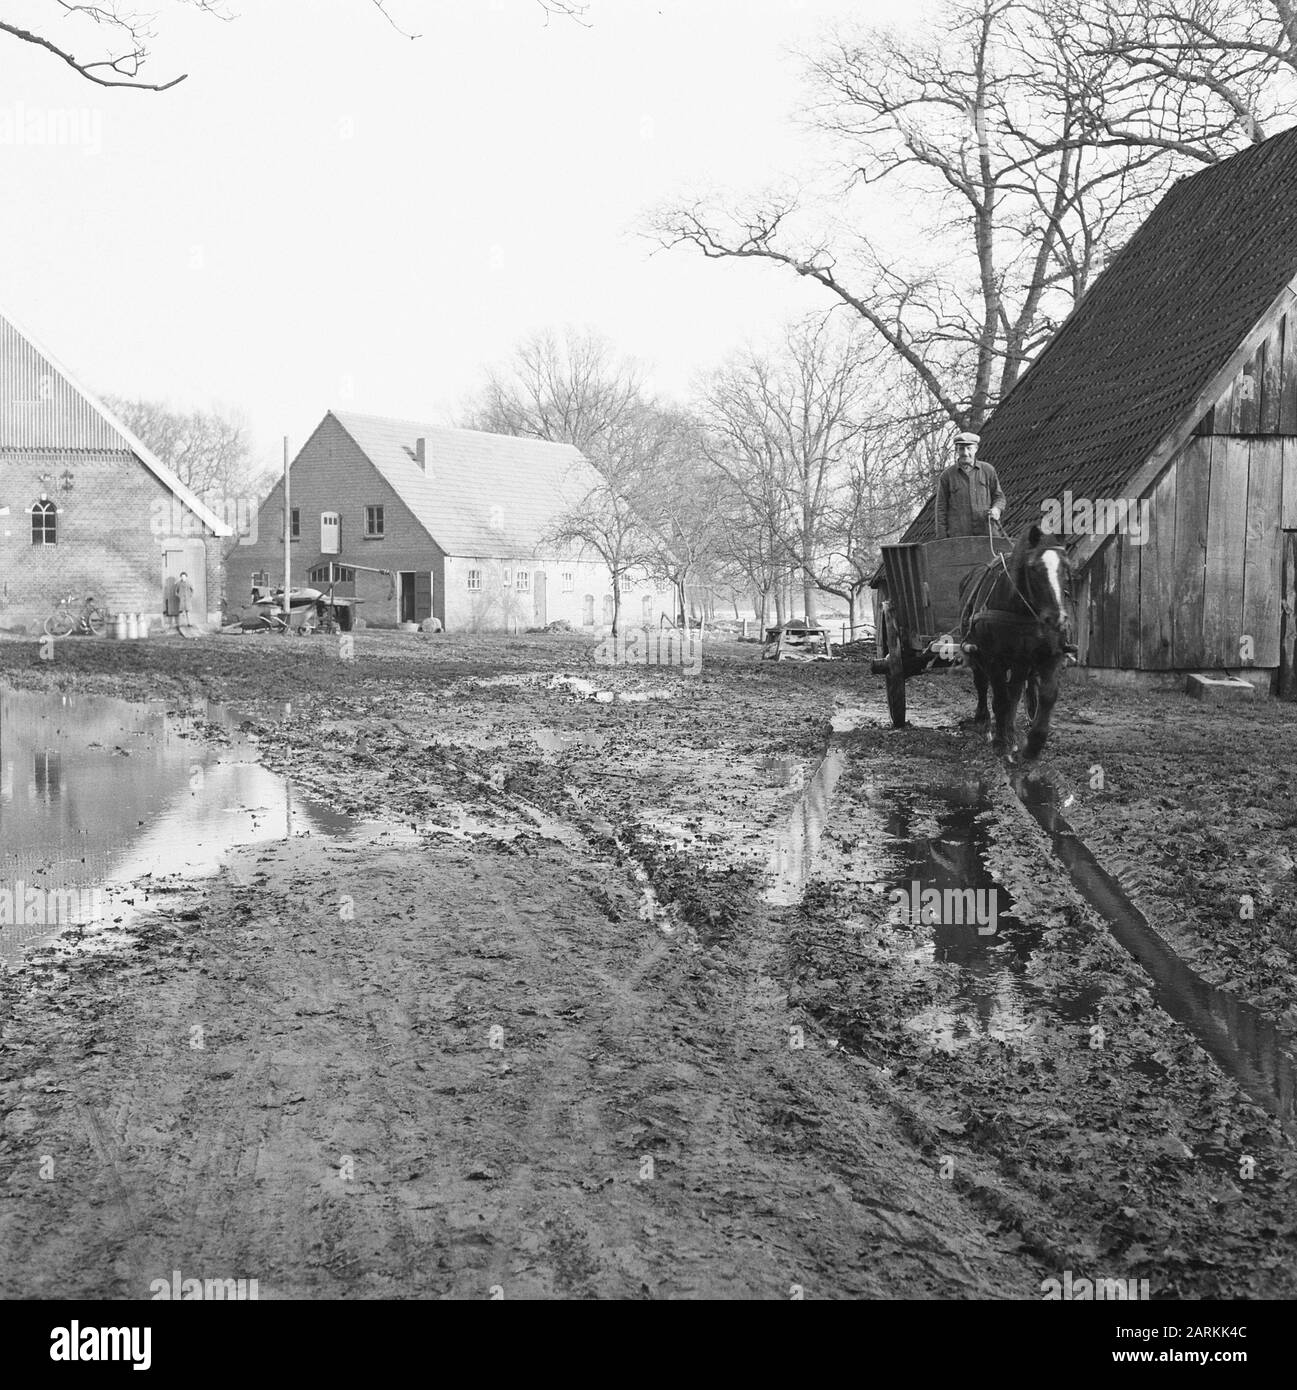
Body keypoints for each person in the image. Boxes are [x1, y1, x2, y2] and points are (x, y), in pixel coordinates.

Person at [934, 431, 1006, 538]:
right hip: (959, 538)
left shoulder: (988, 471)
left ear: (976, 449)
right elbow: (941, 509)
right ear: (956, 450)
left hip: (987, 535)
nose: (965, 452)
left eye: (969, 448)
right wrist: (942, 539)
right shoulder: (947, 476)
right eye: (961, 448)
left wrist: (996, 509)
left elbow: (999, 497)